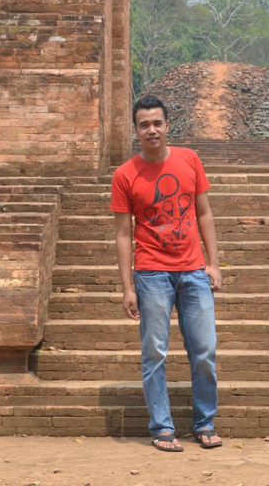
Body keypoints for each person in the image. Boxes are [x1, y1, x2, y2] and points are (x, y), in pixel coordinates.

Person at [111, 94, 223, 452]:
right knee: (154, 353)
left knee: (204, 350)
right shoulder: (125, 174)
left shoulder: (189, 159)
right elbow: (123, 233)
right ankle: (162, 428)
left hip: (192, 271)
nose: (152, 130)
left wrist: (214, 263)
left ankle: (204, 423)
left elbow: (203, 213)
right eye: (144, 124)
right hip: (151, 273)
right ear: (136, 130)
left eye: (157, 123)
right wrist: (127, 287)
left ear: (168, 125)